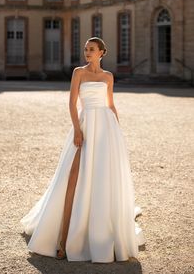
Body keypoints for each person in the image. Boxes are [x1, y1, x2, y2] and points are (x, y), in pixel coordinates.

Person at [20, 37, 145, 263]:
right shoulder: (79, 72)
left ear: (101, 53)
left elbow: (111, 103)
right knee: (74, 175)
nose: (87, 53)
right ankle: (64, 238)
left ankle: (99, 228)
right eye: (86, 49)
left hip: (106, 128)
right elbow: (71, 103)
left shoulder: (108, 76)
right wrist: (77, 130)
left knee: (102, 176)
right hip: (86, 124)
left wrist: (117, 129)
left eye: (91, 50)